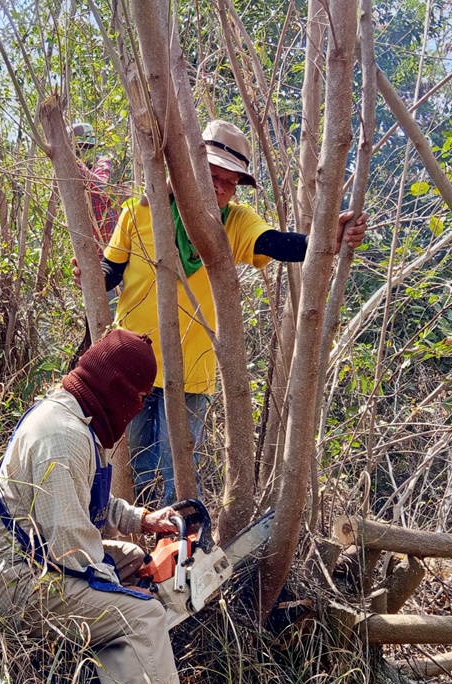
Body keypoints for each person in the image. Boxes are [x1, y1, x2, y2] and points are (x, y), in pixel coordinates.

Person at [0, 329, 211, 684]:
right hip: (17, 581)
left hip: (43, 559)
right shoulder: (61, 438)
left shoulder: (78, 415)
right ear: (120, 390)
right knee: (143, 615)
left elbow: (87, 508)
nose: (139, 408)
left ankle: (122, 651)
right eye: (140, 397)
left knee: (133, 561)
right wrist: (128, 597)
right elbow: (74, 549)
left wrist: (142, 520)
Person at [88, 119, 368, 505]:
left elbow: (277, 243)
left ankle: (181, 555)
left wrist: (327, 239)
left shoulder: (234, 222)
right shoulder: (138, 212)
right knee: (127, 465)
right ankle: (130, 546)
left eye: (230, 181)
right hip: (128, 363)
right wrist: (89, 272)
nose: (219, 187)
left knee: (178, 475)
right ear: (186, 170)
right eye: (210, 174)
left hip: (190, 371)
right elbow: (110, 270)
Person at [70, 121, 120, 251]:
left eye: (86, 148)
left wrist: (74, 164)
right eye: (80, 148)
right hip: (88, 244)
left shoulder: (102, 164)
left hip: (108, 244)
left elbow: (100, 186)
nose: (82, 152)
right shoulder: (72, 176)